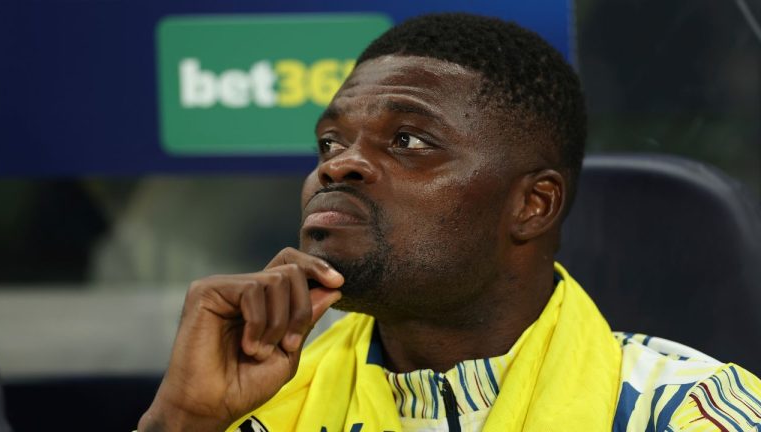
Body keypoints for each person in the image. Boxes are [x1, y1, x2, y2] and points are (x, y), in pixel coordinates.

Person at [138, 13, 761, 432]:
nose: (341, 166)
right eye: (330, 143)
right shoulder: (264, 406)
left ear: (533, 205)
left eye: (407, 140)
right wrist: (184, 419)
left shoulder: (685, 413)